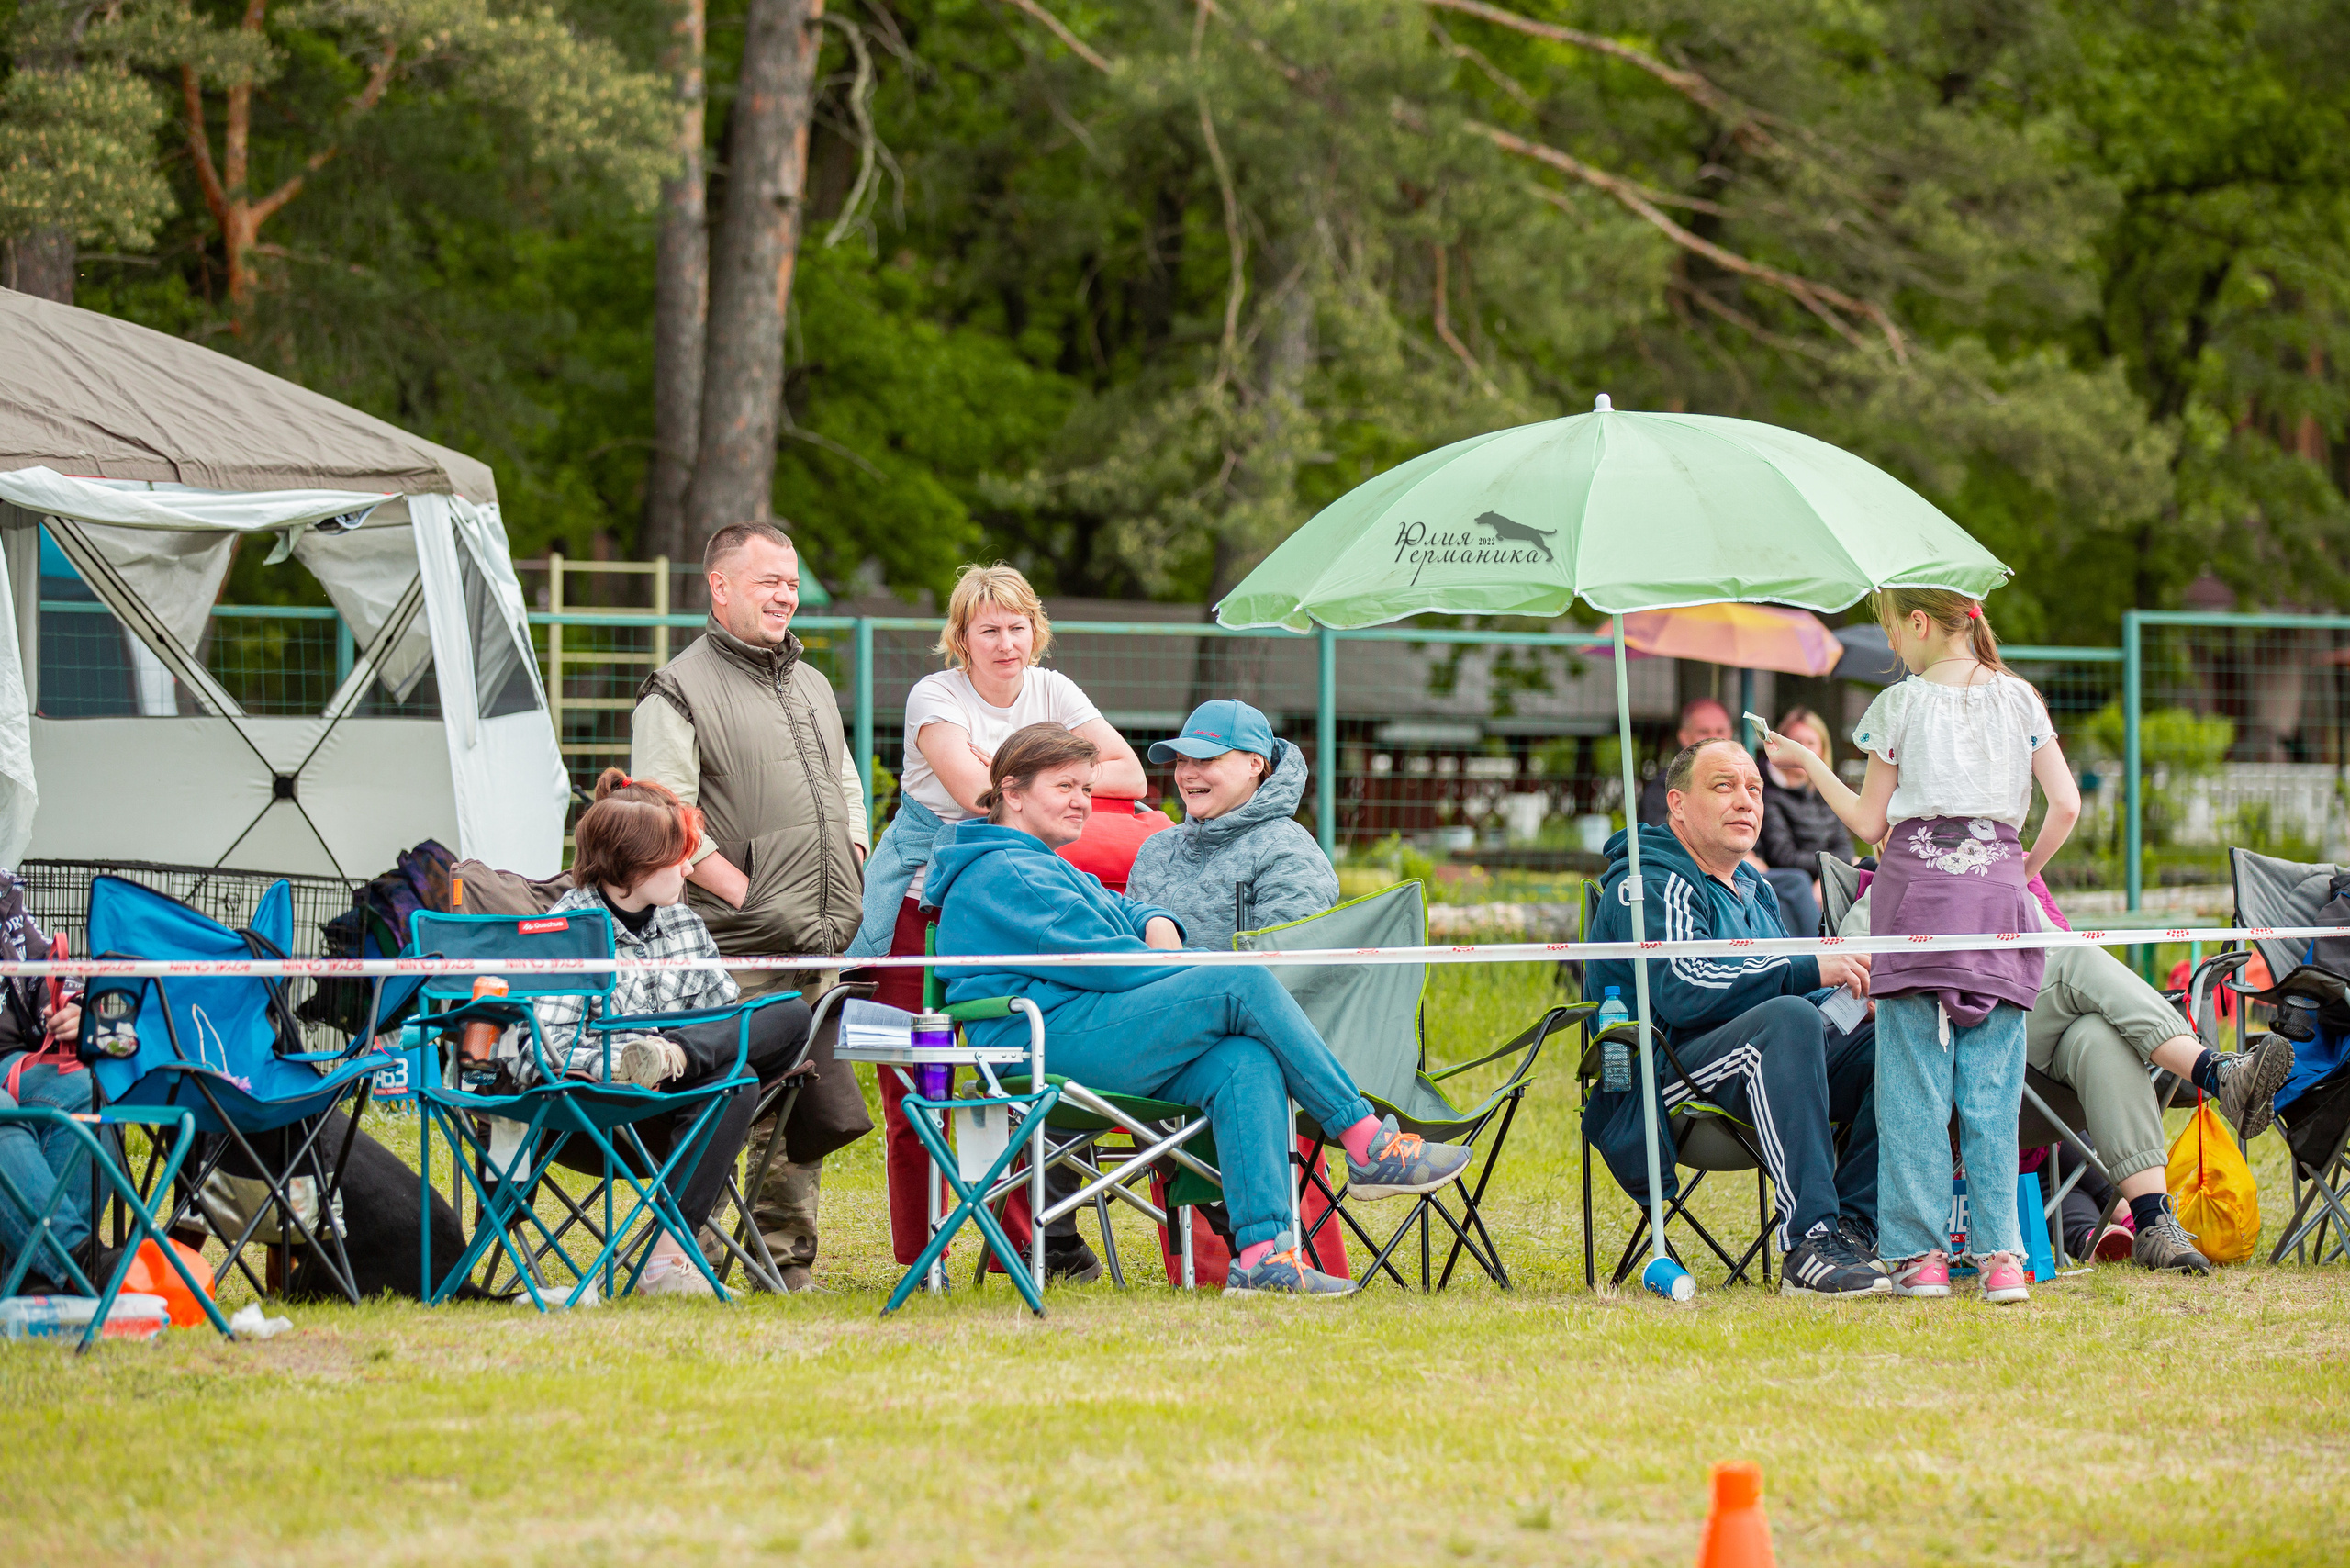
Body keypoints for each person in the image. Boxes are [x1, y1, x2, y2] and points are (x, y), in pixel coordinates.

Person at [927, 722, 1475, 1297]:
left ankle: (1264, 1256)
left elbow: (1121, 911)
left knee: (1243, 1060)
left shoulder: (1038, 863)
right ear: (1012, 792)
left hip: (1085, 1028)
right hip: (1044, 1044)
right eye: (1066, 786)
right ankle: (1367, 1141)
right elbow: (1112, 963)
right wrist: (1187, 961)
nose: (1083, 802)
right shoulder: (1007, 870)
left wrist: (1154, 921)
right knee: (1240, 982)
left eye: (1087, 788)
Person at [1765, 588, 2081, 1305]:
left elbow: (1869, 818)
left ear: (1918, 624)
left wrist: (1809, 765)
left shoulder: (1900, 706)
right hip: (1997, 898)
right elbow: (2066, 805)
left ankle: (1922, 1261)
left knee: (1911, 1088)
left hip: (1913, 903)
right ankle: (2004, 1261)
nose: (1893, 651)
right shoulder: (2021, 698)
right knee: (1994, 1088)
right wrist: (2020, 873)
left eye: (1893, 634)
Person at [849, 564, 1147, 1282]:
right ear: (963, 638)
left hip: (1018, 899)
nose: (1006, 643)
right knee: (917, 1087)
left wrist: (1023, 778)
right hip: (926, 904)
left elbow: (1132, 776)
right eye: (989, 630)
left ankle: (1027, 1246)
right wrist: (1050, 777)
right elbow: (974, 794)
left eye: (1017, 627)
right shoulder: (935, 696)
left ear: (1034, 630)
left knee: (1015, 1070)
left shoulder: (1053, 690)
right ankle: (923, 1256)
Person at [630, 522, 873, 1293]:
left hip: (821, 934)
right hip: (731, 941)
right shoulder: (676, 688)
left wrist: (856, 855)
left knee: (803, 1112)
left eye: (792, 582)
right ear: (720, 586)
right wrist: (749, 892)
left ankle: (782, 1261)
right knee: (719, 1101)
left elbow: (846, 785)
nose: (786, 595)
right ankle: (682, 1255)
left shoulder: (812, 682)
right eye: (768, 580)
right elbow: (665, 820)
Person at [1843, 882, 2291, 1274]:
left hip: (2032, 1063)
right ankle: (2214, 1071)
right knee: (2078, 963)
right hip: (1950, 1063)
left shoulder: (2001, 880)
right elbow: (1846, 974)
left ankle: (2153, 1221)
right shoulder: (1885, 892)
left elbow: (2053, 953)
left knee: (2098, 1035)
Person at [1586, 737, 1888, 1298]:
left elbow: (1773, 988)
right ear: (1677, 803)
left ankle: (1855, 1231)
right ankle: (1811, 1243)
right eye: (1723, 786)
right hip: (1655, 1073)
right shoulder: (1652, 882)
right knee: (1791, 1019)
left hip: (1763, 1058)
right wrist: (1808, 972)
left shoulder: (1755, 886)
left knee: (1895, 1040)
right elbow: (1684, 989)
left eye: (1755, 789)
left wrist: (1851, 1003)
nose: (1745, 801)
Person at [528, 771, 815, 1297]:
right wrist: (619, 1063)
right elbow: (540, 1052)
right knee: (739, 1078)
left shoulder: (683, 923)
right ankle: (667, 1260)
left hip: (680, 1096)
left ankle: (673, 1056)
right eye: (677, 855)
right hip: (602, 1112)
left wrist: (679, 1051)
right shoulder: (568, 931)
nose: (689, 866)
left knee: (792, 1014)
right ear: (630, 864)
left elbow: (728, 1022)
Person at [1126, 698, 1348, 1282]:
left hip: (1260, 1050)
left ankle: (1259, 1256)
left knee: (1243, 1059)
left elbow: (1294, 979)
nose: (1188, 772)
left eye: (1207, 758)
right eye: (1179, 759)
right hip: (1155, 1037)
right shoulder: (1155, 850)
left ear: (1255, 763)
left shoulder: (1290, 849)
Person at [0, 871, 95, 1291]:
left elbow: (44, 969)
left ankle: (32, 1285)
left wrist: (72, 1005)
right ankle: (74, 1263)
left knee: (87, 1092)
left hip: (13, 1060)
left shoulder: (5, 901)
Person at [1755, 705, 1852, 939]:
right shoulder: (1766, 791)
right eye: (1797, 742)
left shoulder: (1825, 791)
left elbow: (1846, 848)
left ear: (1822, 749)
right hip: (1788, 885)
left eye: (1811, 743)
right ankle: (1825, 960)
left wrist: (1825, 878)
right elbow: (1783, 855)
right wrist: (1826, 870)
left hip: (1821, 881)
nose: (1803, 750)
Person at [1637, 698, 1733, 827]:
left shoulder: (1746, 784)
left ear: (1731, 734)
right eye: (1703, 732)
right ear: (1684, 737)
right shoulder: (1663, 788)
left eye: (1720, 731)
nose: (1713, 739)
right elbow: (1662, 840)